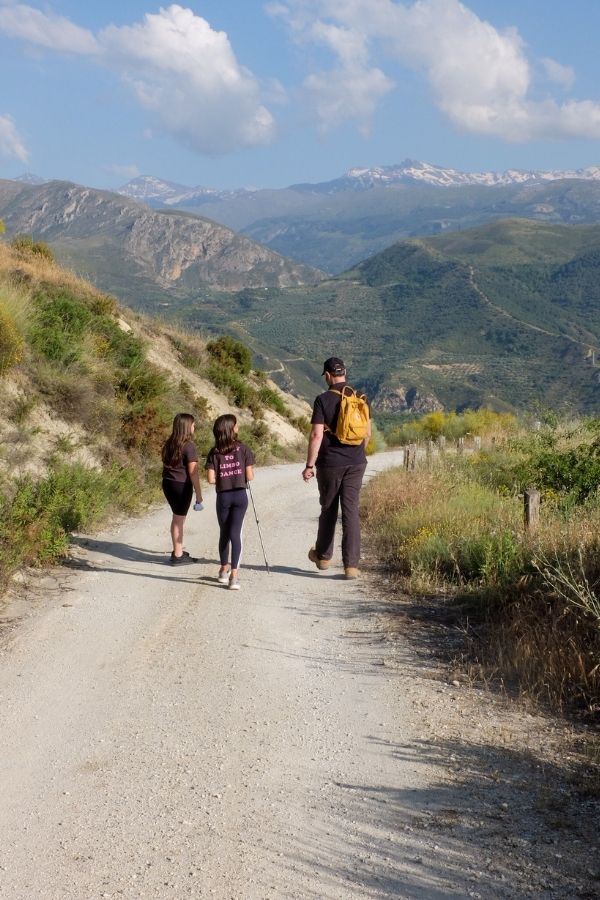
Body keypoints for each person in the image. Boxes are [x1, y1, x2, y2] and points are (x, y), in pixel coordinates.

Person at [302, 357, 371, 579]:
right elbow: (366, 434)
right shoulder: (360, 397)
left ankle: (323, 556)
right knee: (351, 512)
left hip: (330, 463)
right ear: (344, 373)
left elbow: (316, 435)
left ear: (328, 375)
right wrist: (357, 454)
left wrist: (309, 465)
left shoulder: (323, 399)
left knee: (329, 509)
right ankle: (351, 566)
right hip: (356, 462)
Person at [205, 414, 255, 590]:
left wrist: (223, 475)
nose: (238, 427)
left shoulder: (215, 452)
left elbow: (211, 479)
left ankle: (223, 569)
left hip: (224, 496)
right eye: (236, 425)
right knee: (236, 533)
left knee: (224, 533)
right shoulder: (244, 449)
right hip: (240, 496)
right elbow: (250, 476)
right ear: (231, 429)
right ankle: (234, 576)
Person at [161, 412, 203, 565]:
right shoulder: (189, 446)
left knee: (176, 517)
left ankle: (177, 549)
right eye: (193, 424)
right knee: (179, 520)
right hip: (181, 485)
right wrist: (198, 495)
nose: (194, 426)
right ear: (186, 427)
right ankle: (178, 555)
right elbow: (193, 472)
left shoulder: (169, 443)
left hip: (167, 483)